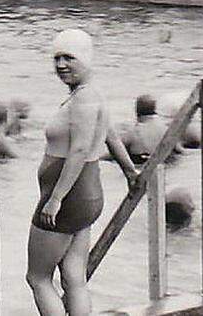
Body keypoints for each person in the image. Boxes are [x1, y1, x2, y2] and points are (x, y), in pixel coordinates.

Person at [26, 30, 135, 316]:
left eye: (69, 58)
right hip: (87, 194)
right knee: (74, 277)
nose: (61, 65)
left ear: (87, 59)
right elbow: (110, 134)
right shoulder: (92, 93)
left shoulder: (83, 99)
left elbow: (80, 149)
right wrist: (129, 171)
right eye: (57, 58)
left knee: (37, 278)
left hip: (68, 195)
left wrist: (55, 198)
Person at [121, 94, 182, 164]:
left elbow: (114, 153)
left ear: (137, 111)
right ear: (155, 110)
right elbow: (180, 151)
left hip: (140, 163)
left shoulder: (132, 133)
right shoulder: (167, 131)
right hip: (164, 163)